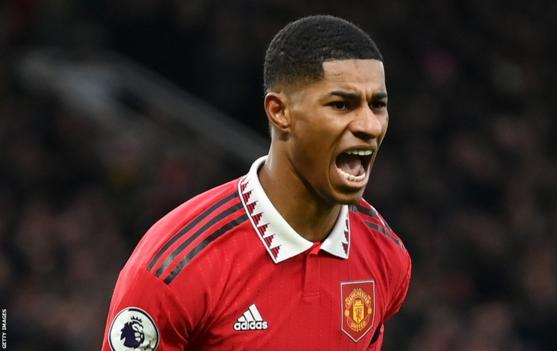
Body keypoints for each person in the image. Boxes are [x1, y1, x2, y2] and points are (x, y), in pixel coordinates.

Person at [101, 15, 411, 351]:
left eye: (377, 105)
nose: (369, 125)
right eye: (342, 104)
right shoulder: (175, 266)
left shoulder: (386, 254)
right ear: (280, 112)